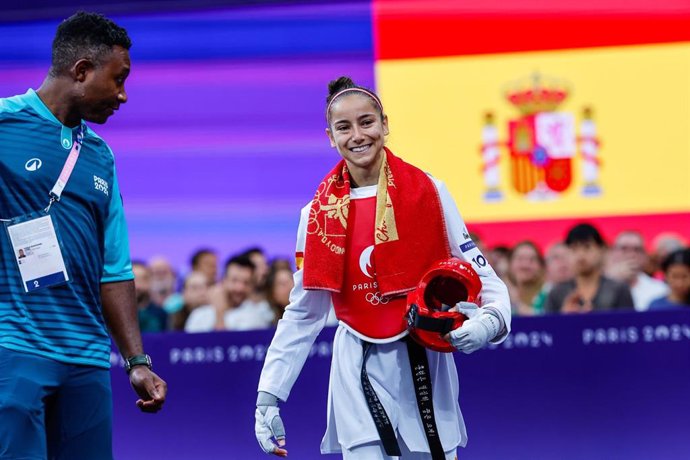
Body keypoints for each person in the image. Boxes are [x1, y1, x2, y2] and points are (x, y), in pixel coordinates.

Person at [255, 77, 511, 459]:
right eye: (344, 127)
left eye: (367, 122)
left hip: (426, 360)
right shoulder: (315, 217)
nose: (357, 135)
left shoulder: (431, 192)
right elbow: (303, 315)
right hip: (355, 367)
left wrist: (488, 325)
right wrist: (268, 396)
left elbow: (487, 282)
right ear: (330, 136)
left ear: (385, 124)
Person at [0, 12, 166, 460]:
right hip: (13, 348)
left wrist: (136, 362)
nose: (123, 95)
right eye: (118, 79)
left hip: (87, 358)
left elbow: (115, 269)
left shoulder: (101, 156)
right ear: (80, 72)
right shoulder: (3, 124)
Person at [544, 223, 634, 314]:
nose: (580, 255)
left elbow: (629, 325)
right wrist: (565, 317)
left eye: (587, 247)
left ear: (601, 250)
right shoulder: (557, 293)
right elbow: (548, 326)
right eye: (574, 249)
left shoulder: (618, 290)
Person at [606, 230, 669, 311]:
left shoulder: (660, 290)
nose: (630, 255)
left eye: (637, 250)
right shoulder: (595, 288)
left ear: (645, 256)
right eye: (623, 249)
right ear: (612, 253)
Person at [507, 241, 547, 315]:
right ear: (509, 264)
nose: (525, 265)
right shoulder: (499, 296)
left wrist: (517, 303)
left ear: (541, 266)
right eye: (520, 259)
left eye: (532, 260)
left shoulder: (550, 294)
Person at [132, 261, 169, 333]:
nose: (137, 286)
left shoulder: (161, 314)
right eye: (133, 279)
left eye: (143, 279)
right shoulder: (113, 315)